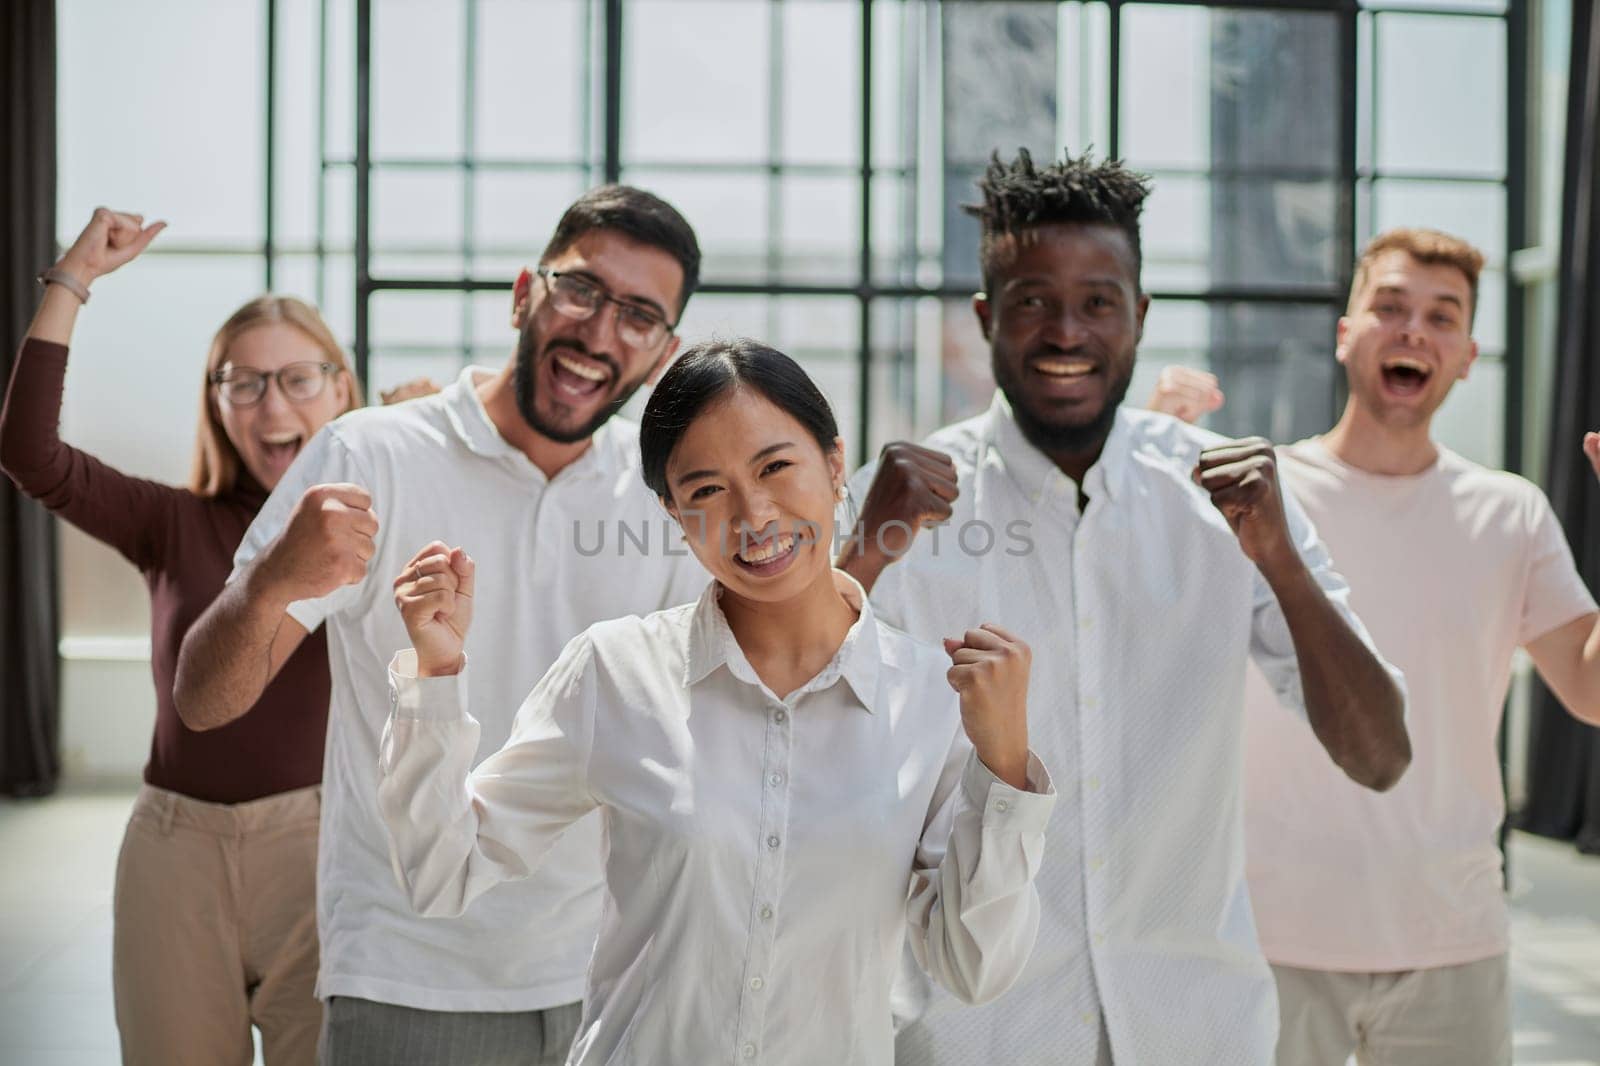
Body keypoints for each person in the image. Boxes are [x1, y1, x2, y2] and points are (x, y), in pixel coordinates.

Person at [838, 149, 1411, 1065]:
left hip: (1198, 1027)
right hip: (977, 1033)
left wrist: (1283, 565)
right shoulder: (903, 506)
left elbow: (1380, 755)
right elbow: (793, 732)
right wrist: (861, 556)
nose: (1067, 331)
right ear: (987, 316)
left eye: (1098, 301)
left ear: (1139, 316)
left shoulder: (1231, 500)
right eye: (1032, 301)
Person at [377, 338, 1057, 1064]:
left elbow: (974, 966)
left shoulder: (930, 697)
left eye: (775, 467)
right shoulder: (616, 672)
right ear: (673, 513)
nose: (754, 513)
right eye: (706, 490)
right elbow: (443, 871)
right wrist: (436, 675)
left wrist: (1005, 765)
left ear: (833, 463)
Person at [173, 185, 710, 1066]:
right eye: (580, 291)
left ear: (662, 353)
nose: (600, 332)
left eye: (640, 316)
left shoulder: (664, 496)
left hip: (613, 969)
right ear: (522, 294)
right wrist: (270, 581)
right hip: (407, 970)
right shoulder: (368, 453)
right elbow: (204, 700)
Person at [1150, 228, 1600, 1066]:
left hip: (1451, 942)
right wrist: (1141, 460)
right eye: (1389, 307)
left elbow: (1590, 688)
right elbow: (1140, 641)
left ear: (1467, 355)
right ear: (1345, 332)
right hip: (1266, 935)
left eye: (1442, 316)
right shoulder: (1255, 493)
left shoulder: (1512, 513)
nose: (1413, 331)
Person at [0, 208, 359, 1065]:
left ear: (343, 388)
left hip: (326, 853)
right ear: (218, 403)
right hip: (175, 856)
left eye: (300, 379)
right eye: (244, 382)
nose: (273, 404)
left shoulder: (376, 521)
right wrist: (71, 279)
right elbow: (28, 451)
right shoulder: (172, 521)